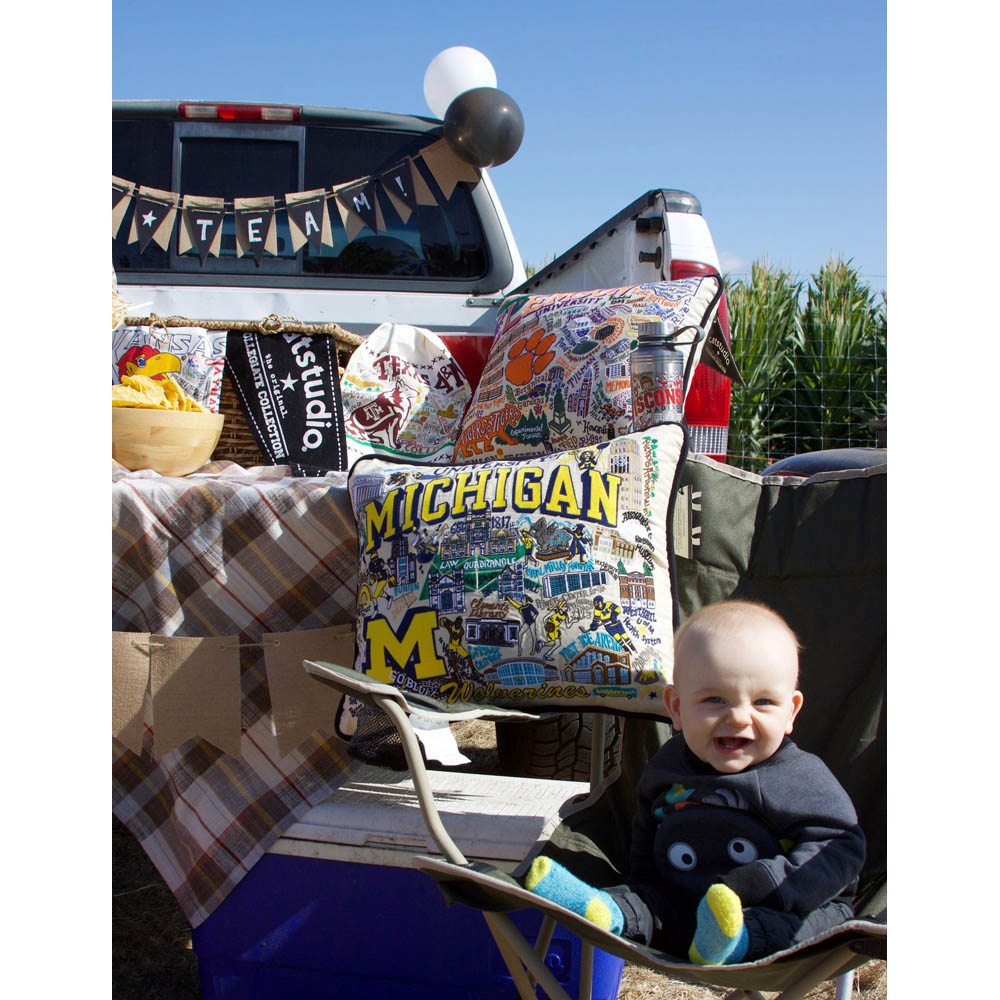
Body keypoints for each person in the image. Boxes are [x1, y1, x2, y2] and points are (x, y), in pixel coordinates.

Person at [525, 600, 866, 965]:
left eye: (764, 702)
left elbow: (841, 847)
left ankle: (738, 941)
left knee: (821, 922)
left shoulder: (798, 776)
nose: (739, 717)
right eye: (714, 700)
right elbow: (646, 829)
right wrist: (641, 886)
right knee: (647, 903)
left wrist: (766, 884)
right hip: (681, 900)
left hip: (782, 903)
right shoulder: (667, 765)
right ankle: (607, 910)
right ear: (676, 707)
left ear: (791, 712)